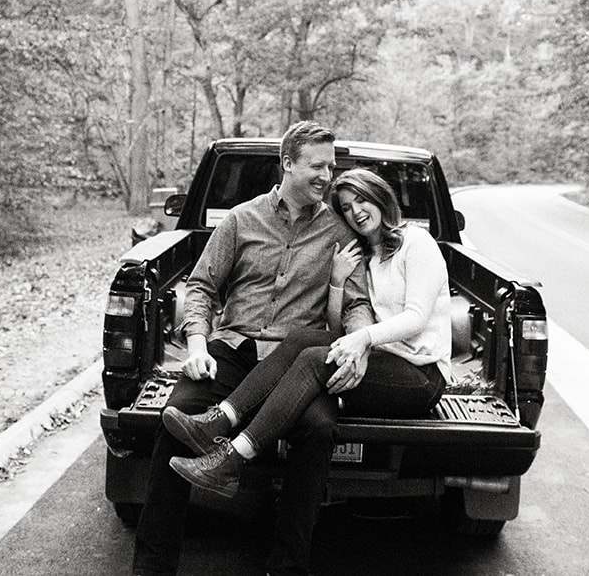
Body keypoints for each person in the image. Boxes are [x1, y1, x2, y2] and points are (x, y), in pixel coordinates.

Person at [131, 121, 374, 576]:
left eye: (332, 165)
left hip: (296, 365)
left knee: (319, 430)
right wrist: (198, 343)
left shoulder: (341, 234)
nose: (327, 175)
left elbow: (357, 303)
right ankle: (153, 566)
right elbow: (201, 287)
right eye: (317, 165)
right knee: (176, 415)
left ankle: (287, 567)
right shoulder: (241, 219)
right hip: (233, 349)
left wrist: (358, 344)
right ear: (287, 164)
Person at [161, 167, 451, 506]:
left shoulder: (416, 242)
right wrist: (338, 282)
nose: (355, 211)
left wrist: (363, 341)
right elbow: (337, 328)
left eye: (362, 200)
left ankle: (233, 459)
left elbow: (416, 318)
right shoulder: (367, 255)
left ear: (381, 198)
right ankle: (220, 419)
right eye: (345, 207)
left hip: (420, 376)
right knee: (302, 339)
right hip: (384, 362)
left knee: (314, 360)